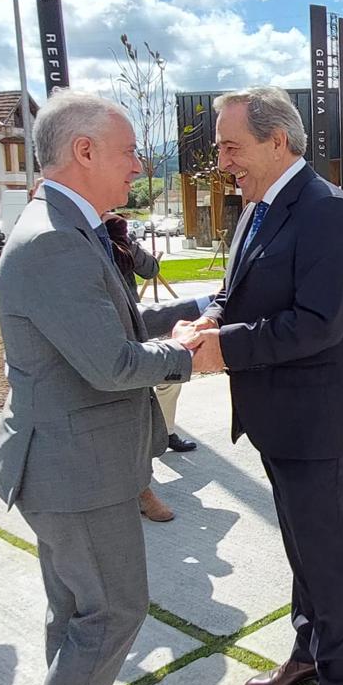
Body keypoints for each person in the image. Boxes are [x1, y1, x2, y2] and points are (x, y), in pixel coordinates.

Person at [175, 86, 343, 685]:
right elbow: (236, 289)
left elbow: (319, 323)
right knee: (301, 548)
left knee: (328, 553)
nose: (222, 159)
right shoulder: (257, 208)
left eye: (230, 145)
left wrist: (227, 347)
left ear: (279, 140)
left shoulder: (327, 209)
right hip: (278, 419)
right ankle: (308, 651)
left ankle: (340, 682)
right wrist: (211, 318)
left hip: (321, 422)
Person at [0, 90, 207, 685]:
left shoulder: (68, 226)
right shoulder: (56, 238)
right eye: (127, 151)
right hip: (74, 473)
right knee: (112, 616)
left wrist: (175, 328)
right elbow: (112, 363)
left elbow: (103, 331)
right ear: (83, 151)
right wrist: (188, 357)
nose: (139, 164)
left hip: (67, 465)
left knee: (78, 619)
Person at [106, 215, 203, 522]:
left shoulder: (115, 237)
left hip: (134, 330)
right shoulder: (74, 241)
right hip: (108, 339)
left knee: (167, 385)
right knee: (124, 407)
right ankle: (141, 489)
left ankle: (166, 433)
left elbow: (151, 269)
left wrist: (123, 239)